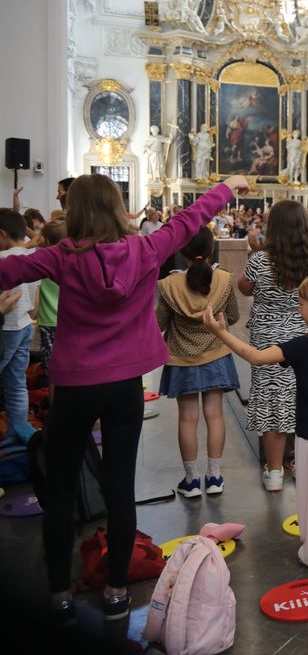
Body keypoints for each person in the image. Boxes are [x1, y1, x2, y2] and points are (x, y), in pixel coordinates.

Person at [0, 174, 245, 623]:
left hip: (75, 386)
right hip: (124, 387)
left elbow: (6, 270)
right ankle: (115, 589)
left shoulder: (61, 257)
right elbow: (192, 218)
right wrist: (228, 185)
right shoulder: (146, 250)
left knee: (59, 490)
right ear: (117, 208)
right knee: (119, 487)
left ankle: (59, 594)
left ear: (74, 212)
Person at [207, 274, 308, 571]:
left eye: (301, 302)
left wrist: (221, 332)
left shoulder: (303, 345)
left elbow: (255, 356)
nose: (298, 307)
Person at [240, 199, 308, 491]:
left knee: (271, 404)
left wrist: (254, 254)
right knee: (306, 399)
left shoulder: (260, 259)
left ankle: (275, 472)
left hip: (267, 340)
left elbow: (244, 287)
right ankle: (303, 465)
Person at [155, 227, 241, 497]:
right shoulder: (224, 280)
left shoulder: (169, 285)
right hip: (216, 354)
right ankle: (214, 478)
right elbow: (234, 316)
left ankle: (191, 482)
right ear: (212, 249)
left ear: (183, 251)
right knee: (215, 415)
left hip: (181, 358)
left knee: (187, 419)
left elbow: (158, 323)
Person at [0, 209, 37, 445]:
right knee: (17, 384)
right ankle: (19, 432)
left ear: (2, 234)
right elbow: (35, 304)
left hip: (5, 330)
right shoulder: (33, 256)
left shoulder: (3, 260)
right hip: (25, 325)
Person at [34, 220, 65, 375]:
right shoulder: (69, 259)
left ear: (44, 240)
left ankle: (55, 399)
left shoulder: (41, 260)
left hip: (47, 320)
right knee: (66, 362)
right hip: (67, 320)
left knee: (52, 368)